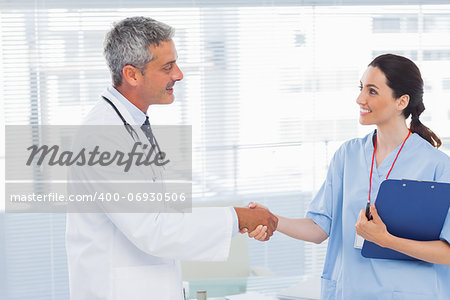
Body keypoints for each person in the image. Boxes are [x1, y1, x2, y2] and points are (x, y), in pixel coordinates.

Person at [65, 16, 278, 300]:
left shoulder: (130, 125)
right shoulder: (103, 136)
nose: (178, 74)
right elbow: (153, 229)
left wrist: (237, 220)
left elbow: (155, 217)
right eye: (167, 67)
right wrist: (237, 217)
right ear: (132, 74)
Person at [246, 54, 450, 299]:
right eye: (361, 88)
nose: (360, 99)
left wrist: (386, 240)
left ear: (401, 101)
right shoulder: (348, 155)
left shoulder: (437, 166)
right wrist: (272, 219)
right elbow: (319, 228)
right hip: (350, 291)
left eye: (372, 91)